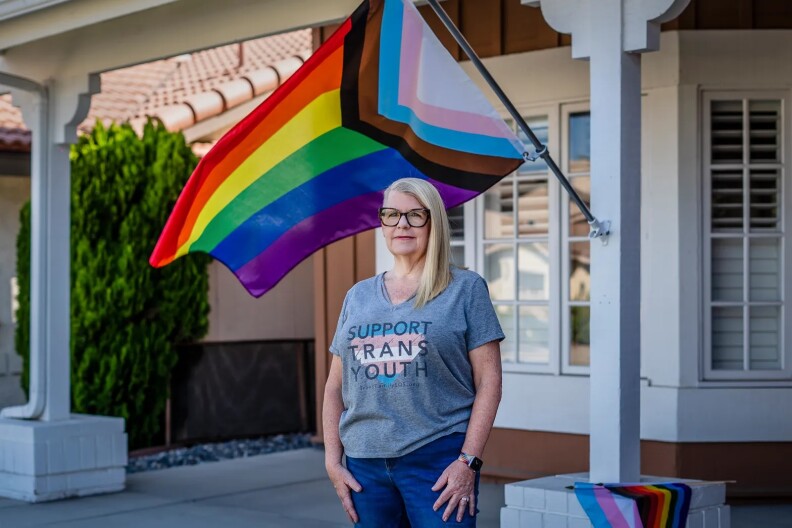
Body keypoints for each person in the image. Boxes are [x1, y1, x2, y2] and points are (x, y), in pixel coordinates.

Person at [323, 177, 504, 527]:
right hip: (364, 465)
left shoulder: (466, 289)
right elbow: (334, 386)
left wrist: (468, 461)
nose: (402, 224)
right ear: (382, 223)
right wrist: (333, 460)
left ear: (433, 221)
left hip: (437, 462)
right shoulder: (357, 296)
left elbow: (490, 382)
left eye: (414, 215)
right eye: (391, 215)